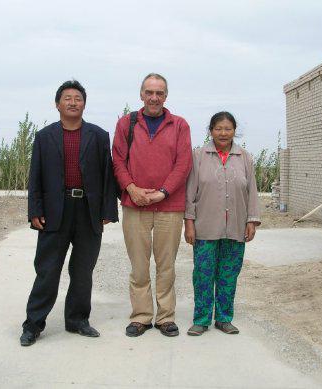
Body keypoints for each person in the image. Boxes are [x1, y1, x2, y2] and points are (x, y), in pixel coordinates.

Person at [20, 80, 118, 346]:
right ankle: (33, 324)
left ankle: (77, 320)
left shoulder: (98, 135)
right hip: (55, 211)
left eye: (78, 98)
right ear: (57, 104)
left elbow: (107, 174)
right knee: (47, 270)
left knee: (83, 269)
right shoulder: (44, 136)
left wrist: (108, 209)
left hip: (88, 210)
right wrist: (34, 211)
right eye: (67, 98)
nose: (73, 102)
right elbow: (35, 176)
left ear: (84, 104)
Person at [112, 73, 192, 337]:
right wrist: (131, 189)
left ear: (166, 96)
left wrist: (163, 192)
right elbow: (118, 160)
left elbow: (183, 164)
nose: (154, 97)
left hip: (169, 207)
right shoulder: (127, 123)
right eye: (149, 92)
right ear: (141, 95)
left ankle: (166, 317)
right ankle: (141, 316)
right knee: (139, 265)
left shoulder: (179, 125)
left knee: (166, 265)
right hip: (135, 205)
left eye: (159, 93)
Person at [184, 111, 260, 336]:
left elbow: (252, 192)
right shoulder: (198, 156)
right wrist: (189, 223)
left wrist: (251, 221)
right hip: (205, 227)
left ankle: (224, 318)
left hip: (235, 227)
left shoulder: (244, 157)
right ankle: (202, 319)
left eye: (228, 129)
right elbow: (190, 193)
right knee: (203, 274)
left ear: (235, 131)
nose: (223, 133)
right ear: (211, 131)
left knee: (228, 274)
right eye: (219, 129)